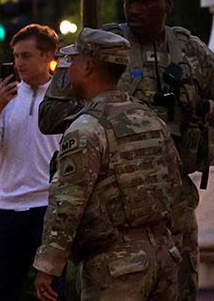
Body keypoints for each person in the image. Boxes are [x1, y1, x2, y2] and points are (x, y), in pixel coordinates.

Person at [38, 0, 214, 300]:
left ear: (168, 2)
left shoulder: (191, 52)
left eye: (146, 1)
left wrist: (201, 109)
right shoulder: (101, 49)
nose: (135, 8)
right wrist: (113, 111)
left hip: (173, 200)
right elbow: (47, 116)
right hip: (114, 203)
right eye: (129, 1)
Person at [32, 28, 182, 301]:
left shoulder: (87, 128)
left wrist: (48, 267)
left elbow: (67, 205)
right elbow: (174, 185)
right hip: (164, 256)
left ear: (88, 66)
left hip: (117, 266)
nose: (68, 67)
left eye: (73, 60)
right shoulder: (150, 119)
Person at [0, 24, 61, 301]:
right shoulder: (4, 97)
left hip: (48, 209)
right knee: (4, 292)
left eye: (26, 55)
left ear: (47, 55)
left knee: (51, 293)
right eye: (15, 56)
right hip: (8, 209)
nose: (18, 63)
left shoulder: (62, 98)